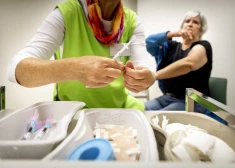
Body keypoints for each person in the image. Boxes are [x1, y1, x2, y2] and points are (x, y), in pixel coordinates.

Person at [8, 0, 156, 110]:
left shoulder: (132, 21)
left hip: (119, 109)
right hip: (72, 112)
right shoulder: (67, 13)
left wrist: (146, 78)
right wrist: (75, 69)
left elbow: (144, 67)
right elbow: (16, 70)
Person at [145, 10, 212, 113]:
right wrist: (173, 33)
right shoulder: (171, 47)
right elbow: (148, 42)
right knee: (139, 111)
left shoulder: (203, 46)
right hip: (167, 98)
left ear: (201, 30)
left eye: (195, 22)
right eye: (187, 21)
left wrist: (154, 75)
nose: (190, 24)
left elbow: (188, 64)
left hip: (193, 100)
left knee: (156, 120)